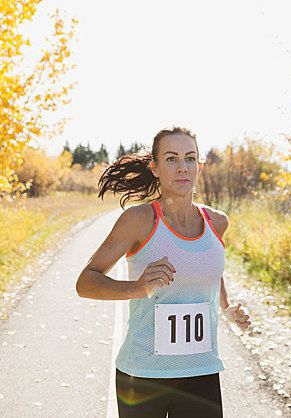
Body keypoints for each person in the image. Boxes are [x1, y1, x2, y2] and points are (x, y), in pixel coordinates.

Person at [75, 126, 252, 418]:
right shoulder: (139, 220)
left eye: (190, 158)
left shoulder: (217, 222)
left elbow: (209, 269)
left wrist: (227, 307)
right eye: (171, 159)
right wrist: (136, 288)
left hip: (202, 371)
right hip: (143, 374)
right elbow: (85, 282)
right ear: (155, 168)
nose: (182, 168)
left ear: (200, 165)